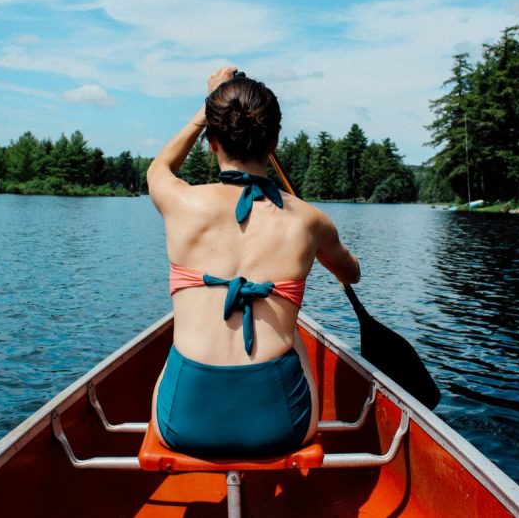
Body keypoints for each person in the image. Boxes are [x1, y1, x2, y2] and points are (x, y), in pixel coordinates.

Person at [146, 65, 361, 458]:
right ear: (274, 141)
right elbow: (353, 273)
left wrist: (205, 108)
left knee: (184, 335)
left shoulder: (181, 202)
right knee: (293, 332)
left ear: (211, 141)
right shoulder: (310, 220)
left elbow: (159, 168)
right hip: (282, 428)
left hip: (182, 425)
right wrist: (323, 248)